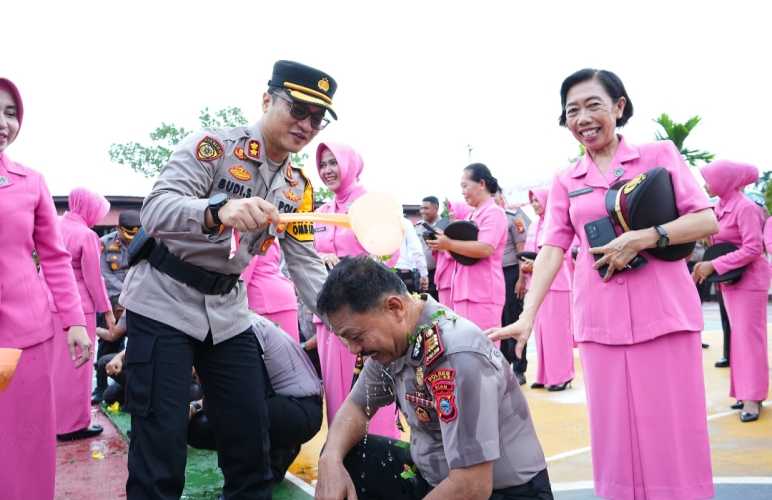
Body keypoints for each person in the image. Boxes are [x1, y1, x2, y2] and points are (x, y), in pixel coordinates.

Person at [489, 68, 717, 499]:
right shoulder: (565, 180)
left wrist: (647, 237)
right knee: (615, 438)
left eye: (593, 105)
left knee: (673, 431)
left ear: (619, 107)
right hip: (601, 325)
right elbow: (553, 248)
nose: (583, 117)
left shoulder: (659, 156)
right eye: (572, 110)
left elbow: (706, 219)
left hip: (665, 316)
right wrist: (526, 317)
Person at [119, 60, 333, 499]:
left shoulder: (296, 187)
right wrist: (217, 211)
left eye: (318, 117)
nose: (307, 124)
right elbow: (155, 210)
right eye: (298, 109)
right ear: (267, 99)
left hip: (228, 314)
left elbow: (306, 263)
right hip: (163, 301)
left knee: (249, 436)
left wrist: (345, 321)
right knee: (160, 448)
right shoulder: (212, 147)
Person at [314, 257, 552, 500]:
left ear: (395, 307)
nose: (353, 350)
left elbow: (473, 486)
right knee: (344, 456)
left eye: (356, 336)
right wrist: (330, 458)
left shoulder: (458, 354)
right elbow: (356, 407)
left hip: (505, 493)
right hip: (435, 478)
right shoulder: (391, 345)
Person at [0, 77, 91, 500]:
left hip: (24, 336)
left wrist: (74, 321)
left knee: (26, 442)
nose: (4, 122)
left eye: (11, 112)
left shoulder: (30, 182)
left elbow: (53, 257)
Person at [313, 141, 400, 438]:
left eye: (333, 162)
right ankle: (345, 460)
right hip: (329, 320)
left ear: (350, 164)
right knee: (337, 395)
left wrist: (348, 267)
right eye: (322, 164)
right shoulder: (322, 211)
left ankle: (381, 455)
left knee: (372, 393)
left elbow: (388, 254)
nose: (327, 170)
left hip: (365, 316)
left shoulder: (371, 204)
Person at [187, 314, 322, 483]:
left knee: (212, 419)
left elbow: (242, 396)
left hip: (300, 410)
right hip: (293, 406)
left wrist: (195, 406)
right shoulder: (236, 321)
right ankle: (276, 457)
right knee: (210, 413)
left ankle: (252, 475)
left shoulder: (238, 331)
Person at [694, 160, 769, 422]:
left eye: (709, 179)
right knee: (738, 338)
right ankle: (744, 392)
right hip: (732, 279)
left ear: (724, 181)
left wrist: (712, 264)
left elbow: (753, 249)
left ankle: (753, 398)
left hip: (749, 281)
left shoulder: (746, 208)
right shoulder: (720, 206)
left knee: (749, 340)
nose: (705, 184)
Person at [52, 187, 114, 440]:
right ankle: (74, 425)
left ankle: (53, 420)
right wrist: (107, 311)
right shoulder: (86, 235)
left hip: (51, 304)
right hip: (79, 309)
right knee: (78, 367)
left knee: (55, 366)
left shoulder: (54, 225)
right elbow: (93, 279)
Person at [427, 164, 508, 333]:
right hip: (464, 292)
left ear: (481, 184)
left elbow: (485, 248)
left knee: (483, 350)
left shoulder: (494, 213)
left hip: (483, 295)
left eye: (465, 186)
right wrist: (443, 242)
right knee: (467, 350)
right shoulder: (472, 215)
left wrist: (448, 243)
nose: (463, 192)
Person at [519, 188, 574, 391]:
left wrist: (537, 266)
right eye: (531, 200)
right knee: (542, 331)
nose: (534, 204)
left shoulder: (559, 222)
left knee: (557, 331)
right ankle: (545, 374)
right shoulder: (534, 225)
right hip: (537, 283)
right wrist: (526, 269)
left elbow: (564, 253)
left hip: (557, 283)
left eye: (537, 200)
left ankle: (562, 375)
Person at [93, 210, 140, 403]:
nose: (132, 237)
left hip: (138, 302)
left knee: (137, 345)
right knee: (107, 345)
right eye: (128, 233)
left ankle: (127, 387)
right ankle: (101, 387)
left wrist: (133, 297)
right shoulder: (104, 243)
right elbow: (104, 276)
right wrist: (126, 295)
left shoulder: (145, 242)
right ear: (118, 229)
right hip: (111, 302)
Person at [494, 189, 530, 385]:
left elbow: (521, 251)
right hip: (493, 275)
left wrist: (521, 279)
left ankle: (519, 367)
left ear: (502, 197)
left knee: (514, 318)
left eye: (496, 196)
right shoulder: (485, 219)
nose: (493, 200)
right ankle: (503, 366)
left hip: (511, 273)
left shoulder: (513, 218)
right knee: (499, 320)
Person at [241, 238, 300, 342]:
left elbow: (245, 270)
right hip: (280, 297)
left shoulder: (253, 230)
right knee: (290, 353)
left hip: (264, 301)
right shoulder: (267, 229)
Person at [433, 200, 471, 306]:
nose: (450, 213)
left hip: (457, 278)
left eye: (453, 210)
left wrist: (445, 247)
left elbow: (465, 253)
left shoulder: (467, 231)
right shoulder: (447, 229)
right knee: (445, 314)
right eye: (449, 211)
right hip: (444, 279)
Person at [415, 196, 449, 299]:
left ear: (436, 208)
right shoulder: (418, 226)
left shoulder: (445, 224)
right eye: (421, 208)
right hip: (421, 273)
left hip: (439, 273)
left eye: (426, 208)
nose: (422, 211)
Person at [395, 217, 429, 293]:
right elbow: (416, 250)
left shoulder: (374, 223)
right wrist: (424, 274)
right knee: (405, 303)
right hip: (402, 271)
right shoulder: (404, 222)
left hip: (379, 272)